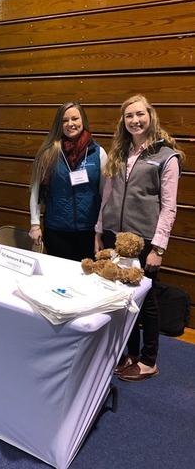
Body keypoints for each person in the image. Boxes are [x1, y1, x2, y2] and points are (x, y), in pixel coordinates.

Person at [95, 94, 185, 382]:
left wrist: (158, 248)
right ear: (123, 121)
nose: (135, 120)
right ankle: (131, 352)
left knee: (147, 301)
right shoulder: (120, 153)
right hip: (114, 236)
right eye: (129, 116)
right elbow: (107, 195)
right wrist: (99, 230)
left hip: (145, 240)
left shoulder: (166, 156)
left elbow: (169, 207)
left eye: (140, 114)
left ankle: (149, 360)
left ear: (150, 116)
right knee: (123, 298)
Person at [29, 101, 107, 261]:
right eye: (65, 120)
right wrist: (35, 224)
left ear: (83, 120)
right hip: (57, 230)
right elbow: (36, 191)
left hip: (89, 230)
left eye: (75, 118)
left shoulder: (98, 153)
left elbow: (105, 195)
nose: (70, 124)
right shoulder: (49, 153)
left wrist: (100, 229)